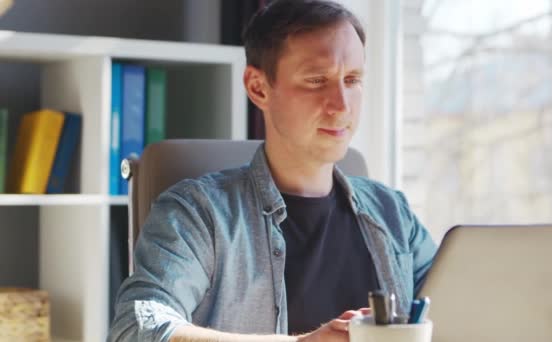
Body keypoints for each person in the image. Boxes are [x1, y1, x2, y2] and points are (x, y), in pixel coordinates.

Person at [108, 0, 437, 341]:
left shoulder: (393, 213)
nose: (341, 105)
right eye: (316, 80)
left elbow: (463, 307)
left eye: (352, 79)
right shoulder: (198, 213)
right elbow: (136, 331)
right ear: (258, 87)